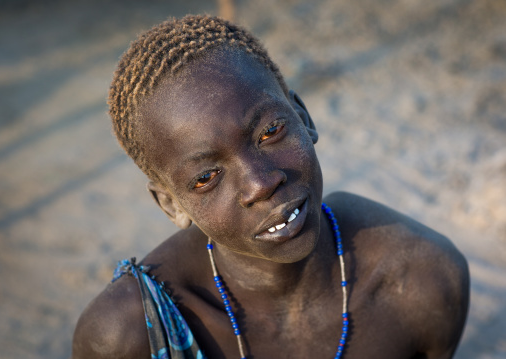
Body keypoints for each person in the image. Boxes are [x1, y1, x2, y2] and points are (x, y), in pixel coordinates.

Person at [71, 15, 469, 359]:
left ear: (303, 117)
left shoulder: (421, 281)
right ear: (171, 204)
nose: (261, 184)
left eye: (271, 131)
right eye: (206, 177)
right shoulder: (126, 336)